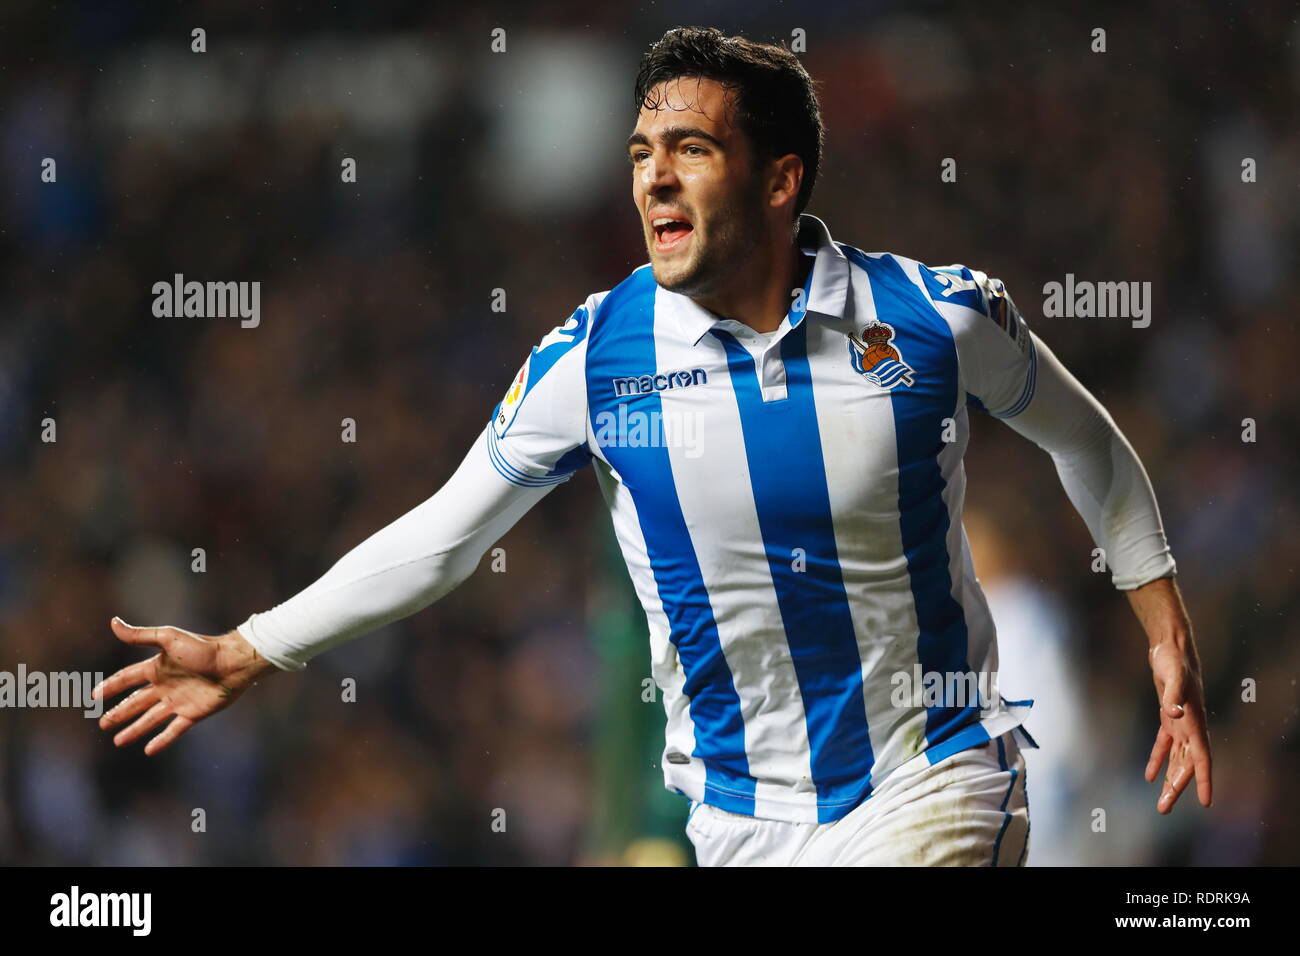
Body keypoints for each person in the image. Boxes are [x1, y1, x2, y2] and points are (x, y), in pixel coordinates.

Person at [94, 26, 1211, 866]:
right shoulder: (594, 358)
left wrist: (1162, 621)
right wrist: (253, 644)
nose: (653, 178)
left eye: (690, 148)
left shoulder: (931, 318)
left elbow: (1090, 445)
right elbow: (444, 534)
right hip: (733, 825)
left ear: (780, 180)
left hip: (935, 777)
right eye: (640, 152)